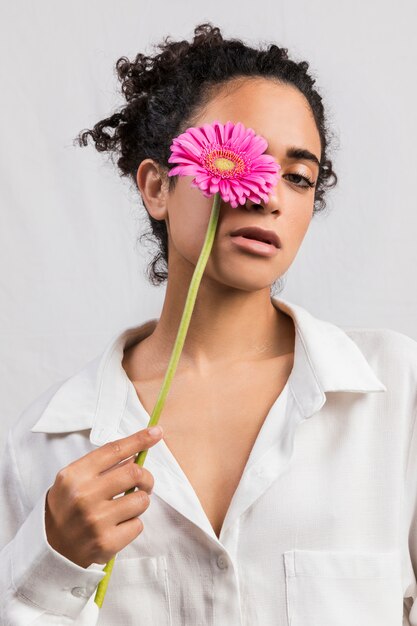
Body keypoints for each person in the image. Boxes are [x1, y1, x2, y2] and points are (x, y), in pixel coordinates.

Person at [1, 22, 417, 626]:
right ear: (156, 188)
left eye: (298, 176)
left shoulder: (398, 396)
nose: (266, 194)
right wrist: (57, 565)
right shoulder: (47, 444)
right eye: (236, 160)